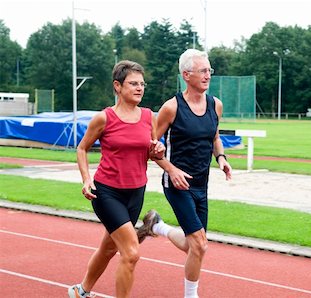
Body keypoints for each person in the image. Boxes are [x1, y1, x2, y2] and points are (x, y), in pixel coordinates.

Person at [137, 49, 232, 298]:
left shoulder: (215, 105)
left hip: (202, 184)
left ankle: (157, 226)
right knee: (200, 245)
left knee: (194, 245)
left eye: (209, 70)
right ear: (186, 74)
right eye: (202, 70)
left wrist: (221, 158)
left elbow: (214, 136)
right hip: (176, 184)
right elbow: (150, 147)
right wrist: (171, 168)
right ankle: (191, 295)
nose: (208, 75)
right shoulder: (171, 108)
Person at [68, 60, 165, 298]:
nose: (139, 88)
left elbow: (152, 150)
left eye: (142, 84)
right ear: (117, 86)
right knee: (131, 253)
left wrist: (159, 150)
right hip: (107, 192)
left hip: (136, 192)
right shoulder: (104, 118)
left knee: (109, 247)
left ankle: (82, 291)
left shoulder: (148, 116)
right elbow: (82, 148)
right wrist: (86, 178)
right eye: (133, 83)